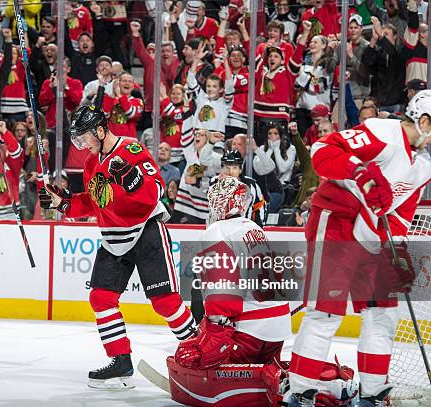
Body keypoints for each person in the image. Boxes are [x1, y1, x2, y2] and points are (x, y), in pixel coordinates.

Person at [288, 91, 431, 406]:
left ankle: (372, 392)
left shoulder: (422, 166)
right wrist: (361, 173)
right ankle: (300, 391)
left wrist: (394, 251)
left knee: (382, 314)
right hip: (336, 221)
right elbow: (323, 149)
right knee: (326, 312)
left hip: (373, 234)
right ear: (423, 122)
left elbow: (400, 215)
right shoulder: (384, 132)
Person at [39, 105, 195, 389]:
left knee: (166, 302)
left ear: (100, 130)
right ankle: (121, 360)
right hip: (114, 236)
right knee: (101, 297)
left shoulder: (130, 150)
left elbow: (157, 190)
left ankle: (197, 351)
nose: (82, 143)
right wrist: (63, 203)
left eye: (85, 136)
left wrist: (135, 183)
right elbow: (94, 201)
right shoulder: (90, 163)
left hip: (146, 230)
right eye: (78, 138)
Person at [173, 177, 292, 405]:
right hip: (278, 332)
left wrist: (209, 337)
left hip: (248, 334)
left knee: (189, 356)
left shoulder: (216, 232)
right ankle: (274, 377)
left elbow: (222, 297)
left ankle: (270, 382)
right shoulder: (253, 227)